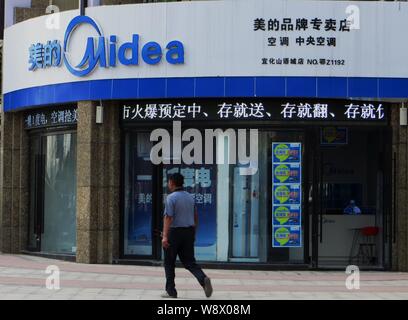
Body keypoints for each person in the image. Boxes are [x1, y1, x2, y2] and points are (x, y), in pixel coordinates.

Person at [161, 173, 213, 299]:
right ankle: (203, 278)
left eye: (168, 181)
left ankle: (171, 291)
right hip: (188, 232)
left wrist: (165, 236)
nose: (168, 184)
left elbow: (168, 217)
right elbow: (195, 216)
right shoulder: (190, 197)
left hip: (174, 233)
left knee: (169, 262)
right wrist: (193, 232)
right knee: (189, 262)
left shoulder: (171, 198)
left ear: (172, 182)